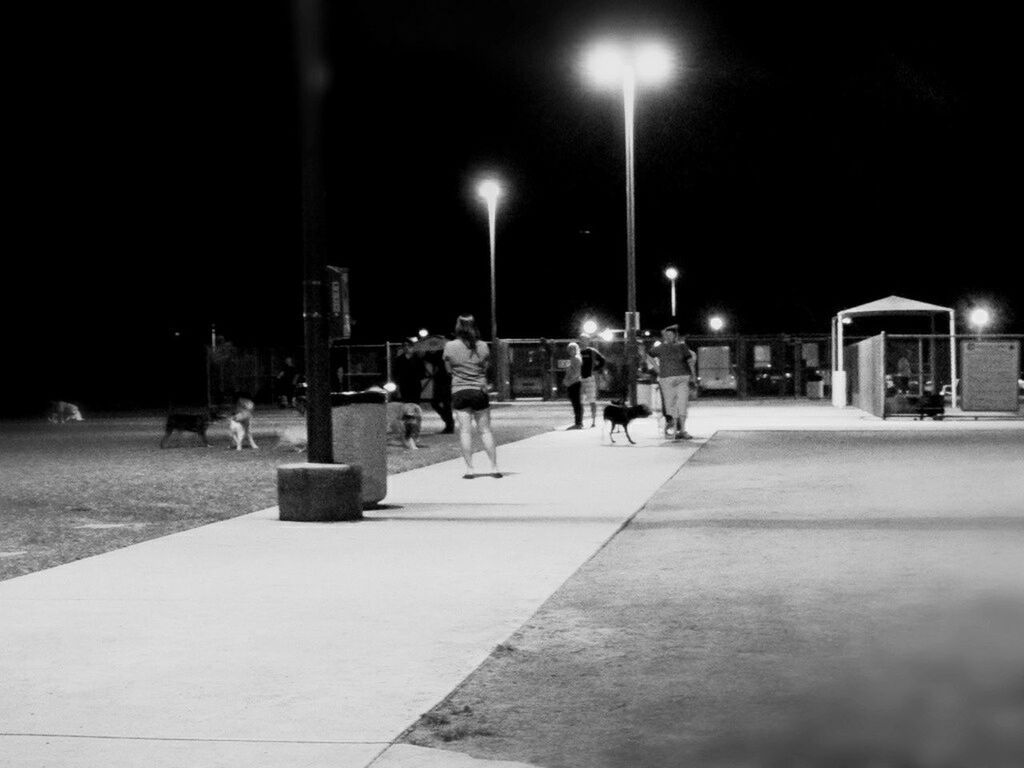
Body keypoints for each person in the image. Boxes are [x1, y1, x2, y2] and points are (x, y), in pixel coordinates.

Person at [443, 315, 500, 478]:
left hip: (459, 391)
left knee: (465, 433)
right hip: (479, 391)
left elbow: (448, 370)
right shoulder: (482, 346)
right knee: (485, 431)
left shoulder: (450, 346)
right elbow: (486, 368)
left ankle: (470, 470)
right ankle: (494, 468)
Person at [647, 324, 697, 440]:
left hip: (679, 378)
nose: (669, 337)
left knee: (680, 404)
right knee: (670, 405)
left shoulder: (683, 348)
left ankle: (679, 429)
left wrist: (692, 377)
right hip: (667, 379)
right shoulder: (662, 348)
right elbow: (649, 356)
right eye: (667, 335)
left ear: (676, 337)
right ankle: (673, 428)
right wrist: (658, 369)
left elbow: (690, 362)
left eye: (672, 335)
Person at [426, 345, 455, 434]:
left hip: (446, 381)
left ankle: (449, 424)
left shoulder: (446, 353)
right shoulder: (439, 353)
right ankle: (448, 421)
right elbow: (430, 359)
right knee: (438, 403)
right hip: (440, 381)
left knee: (445, 403)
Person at [579, 341, 607, 428]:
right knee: (580, 401)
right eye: (581, 339)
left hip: (590, 378)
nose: (583, 341)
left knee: (592, 400)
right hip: (579, 379)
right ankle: (580, 421)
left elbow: (602, 360)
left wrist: (596, 369)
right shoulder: (577, 351)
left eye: (584, 339)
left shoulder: (591, 351)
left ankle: (593, 421)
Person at [564, 342, 583, 429]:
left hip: (575, 383)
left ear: (576, 349)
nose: (571, 351)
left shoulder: (576, 359)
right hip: (573, 383)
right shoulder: (573, 359)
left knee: (576, 403)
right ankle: (578, 422)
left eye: (573, 349)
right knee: (575, 403)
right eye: (570, 349)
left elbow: (577, 373)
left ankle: (578, 422)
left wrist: (569, 381)